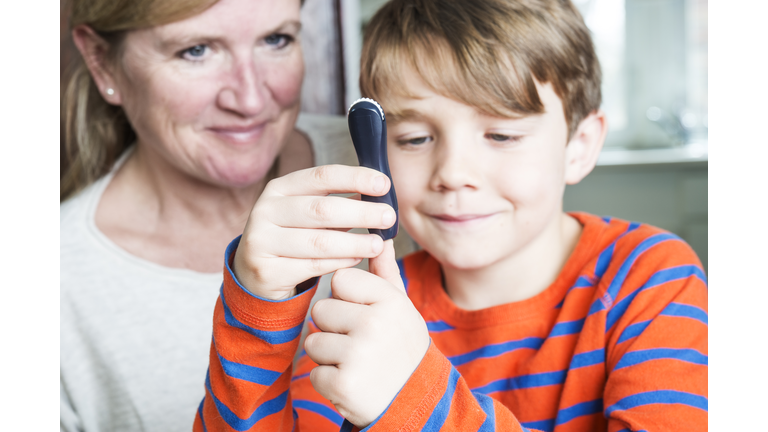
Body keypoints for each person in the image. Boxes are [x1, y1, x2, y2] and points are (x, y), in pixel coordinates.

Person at [194, 0, 708, 431]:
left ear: (580, 145)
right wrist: (256, 313)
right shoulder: (362, 308)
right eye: (415, 139)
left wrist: (415, 395)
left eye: (502, 135)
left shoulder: (651, 281)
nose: (453, 172)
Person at [58, 0, 360, 430]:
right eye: (196, 50)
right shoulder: (58, 288)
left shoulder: (408, 167)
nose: (250, 99)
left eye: (276, 40)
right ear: (102, 62)